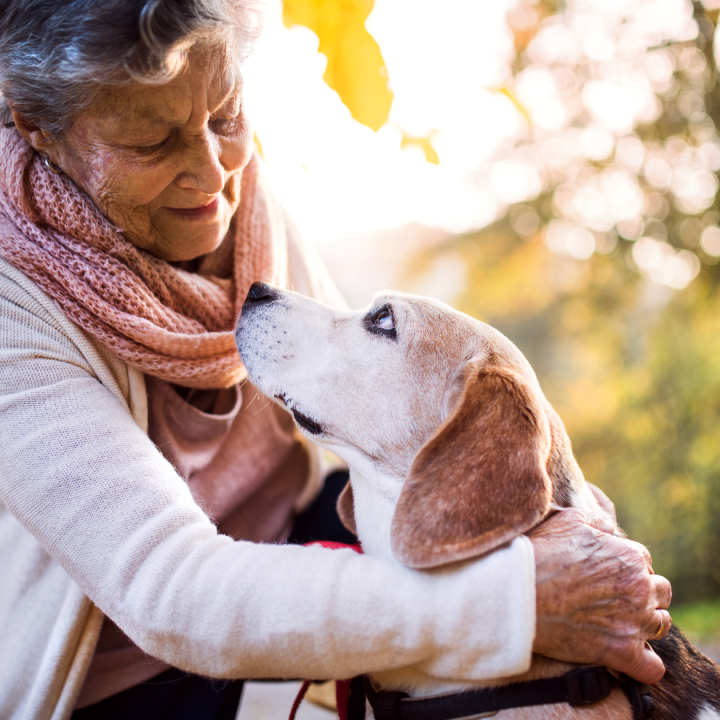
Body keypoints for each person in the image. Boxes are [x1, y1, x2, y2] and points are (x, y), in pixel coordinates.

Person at [0, 1, 672, 719]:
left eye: (225, 114)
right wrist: (516, 601)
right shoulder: (15, 314)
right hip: (144, 671)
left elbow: (382, 415)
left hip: (308, 536)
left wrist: (571, 533)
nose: (212, 173)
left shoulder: (247, 208)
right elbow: (174, 594)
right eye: (150, 143)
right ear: (39, 129)